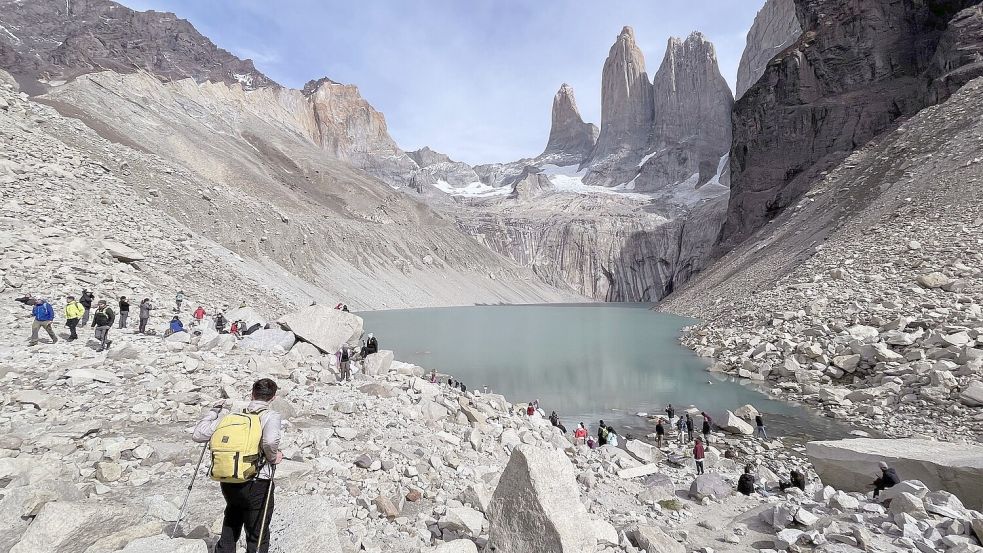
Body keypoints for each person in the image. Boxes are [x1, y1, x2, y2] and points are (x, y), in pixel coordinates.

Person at [193, 379, 283, 553]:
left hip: (229, 477)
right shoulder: (270, 416)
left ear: (252, 394)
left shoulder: (231, 416)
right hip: (258, 481)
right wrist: (273, 458)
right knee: (257, 532)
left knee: (232, 518)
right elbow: (270, 441)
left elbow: (198, 434)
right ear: (273, 398)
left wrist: (213, 412)